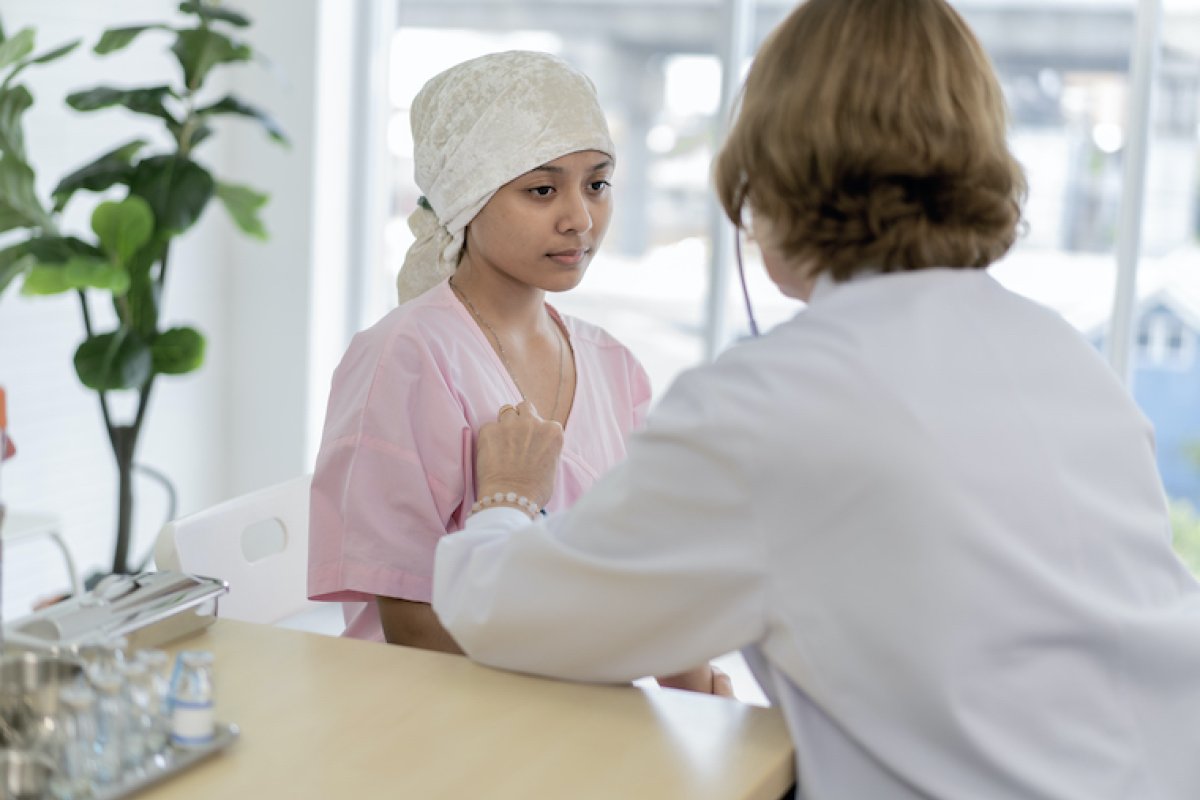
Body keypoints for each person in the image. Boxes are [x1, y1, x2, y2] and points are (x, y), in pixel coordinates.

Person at [431, 2, 1200, 798]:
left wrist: (507, 500)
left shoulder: (775, 403)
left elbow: (506, 615)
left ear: (763, 178)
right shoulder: (1061, 354)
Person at [307, 51, 726, 694]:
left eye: (598, 183)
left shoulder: (616, 366)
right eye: (542, 189)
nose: (580, 219)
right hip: (437, 715)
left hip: (580, 704)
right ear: (469, 195)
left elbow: (645, 570)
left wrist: (698, 690)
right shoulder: (406, 359)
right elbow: (413, 630)